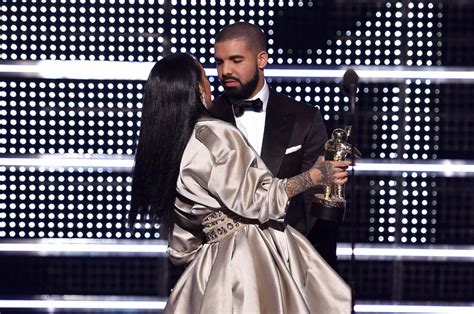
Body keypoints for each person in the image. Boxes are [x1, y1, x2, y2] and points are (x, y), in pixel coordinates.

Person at [129, 53, 351, 313]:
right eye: (205, 77)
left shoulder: (168, 151)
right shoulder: (216, 135)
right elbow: (257, 200)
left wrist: (202, 268)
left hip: (209, 268)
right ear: (197, 88)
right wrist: (313, 176)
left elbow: (182, 241)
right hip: (252, 257)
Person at [211, 21, 341, 268]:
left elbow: (317, 204)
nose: (225, 70)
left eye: (236, 60)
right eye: (219, 62)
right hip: (223, 267)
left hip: (288, 263)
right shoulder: (205, 120)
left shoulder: (304, 118)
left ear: (261, 60)